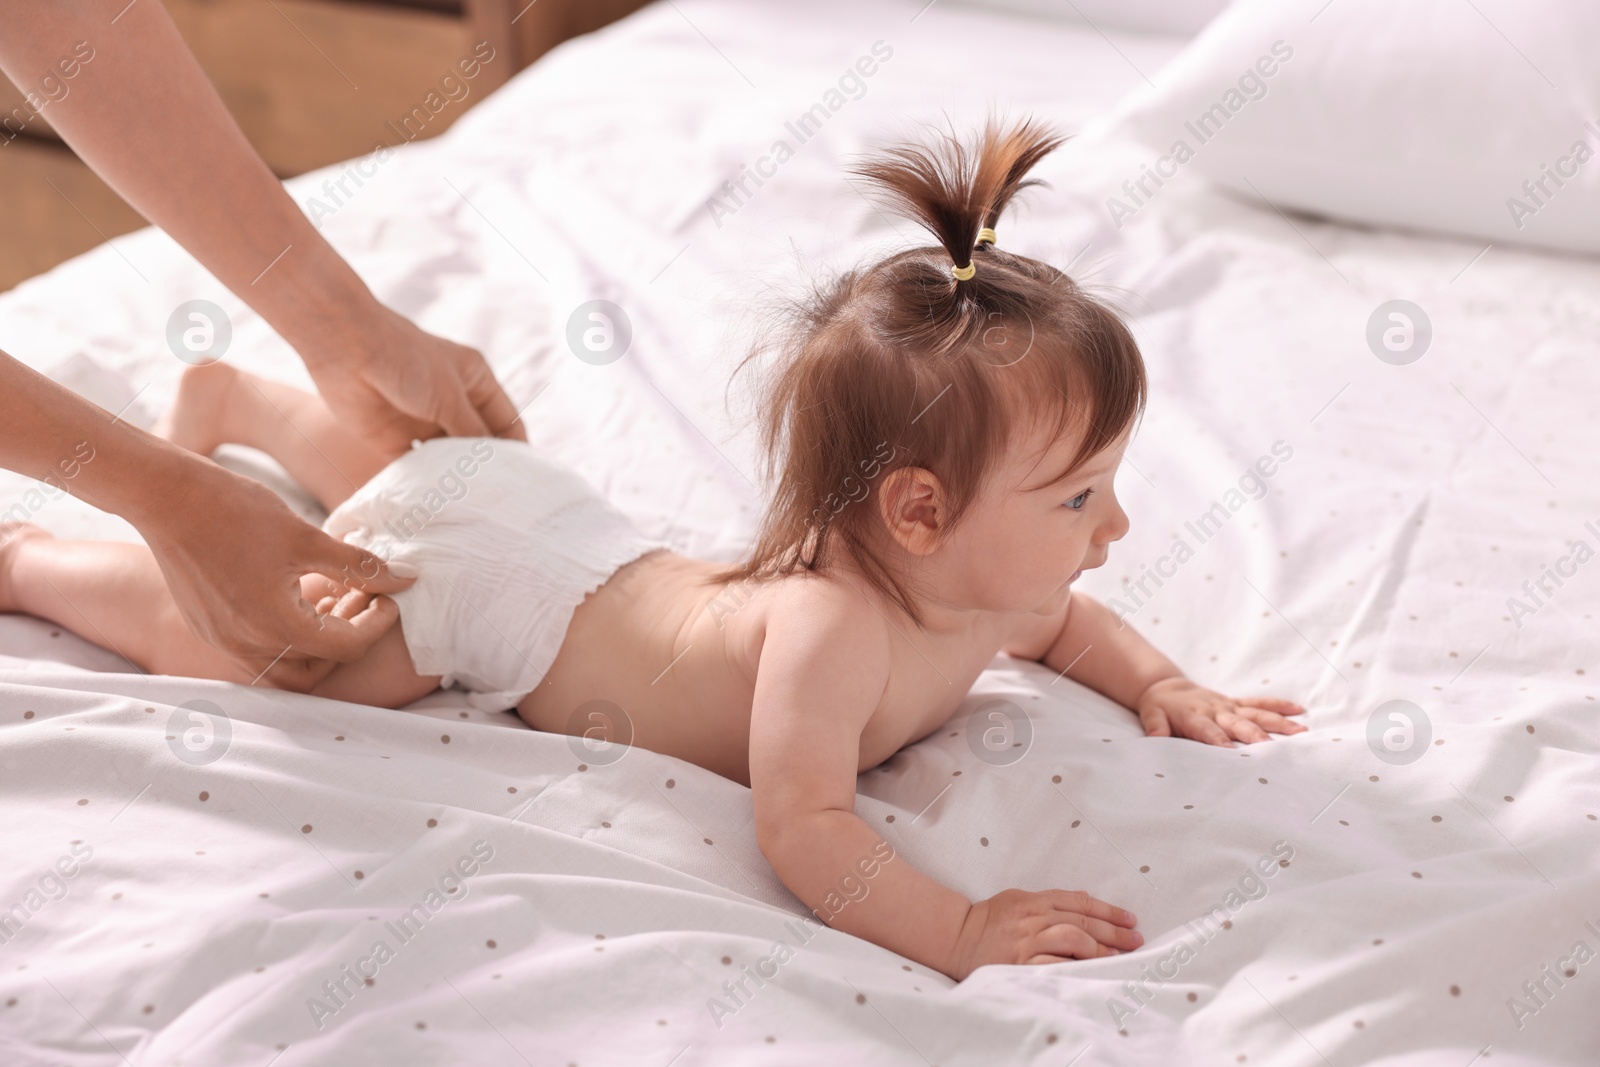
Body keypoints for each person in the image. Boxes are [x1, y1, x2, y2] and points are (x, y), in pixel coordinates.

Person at [0, 120, 1309, 980]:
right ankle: (34, 561)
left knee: (425, 485)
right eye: (1081, 500)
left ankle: (241, 403)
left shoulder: (978, 588)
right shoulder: (834, 626)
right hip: (490, 595)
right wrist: (959, 927)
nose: (1115, 531)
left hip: (543, 516)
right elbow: (806, 825)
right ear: (917, 512)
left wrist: (1157, 682)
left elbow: (1071, 623)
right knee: (279, 650)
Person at [0, 0, 525, 688]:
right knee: (301, 654)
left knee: (458, 485)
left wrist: (343, 325)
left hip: (566, 544)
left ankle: (234, 398)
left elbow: (58, 15)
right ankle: (21, 562)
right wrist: (168, 496)